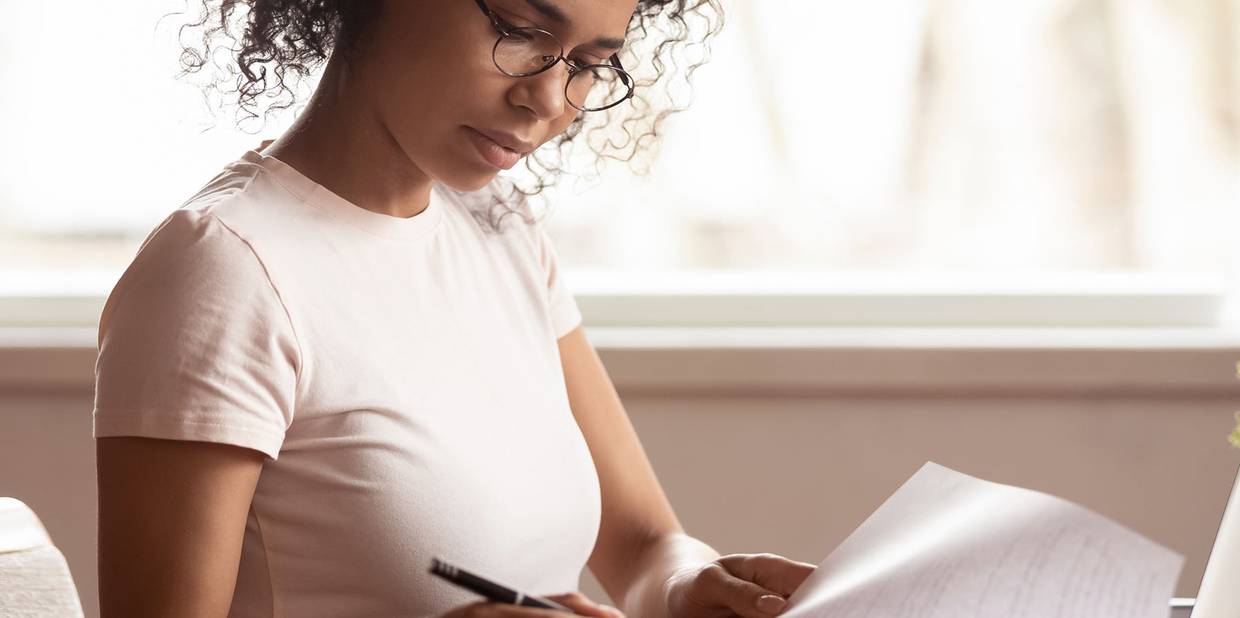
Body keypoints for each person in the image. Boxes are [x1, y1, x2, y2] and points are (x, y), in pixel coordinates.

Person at [93, 0, 816, 615]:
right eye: (519, 30)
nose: (551, 101)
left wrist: (688, 586)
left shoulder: (498, 224)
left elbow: (642, 544)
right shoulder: (225, 272)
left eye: (589, 65)